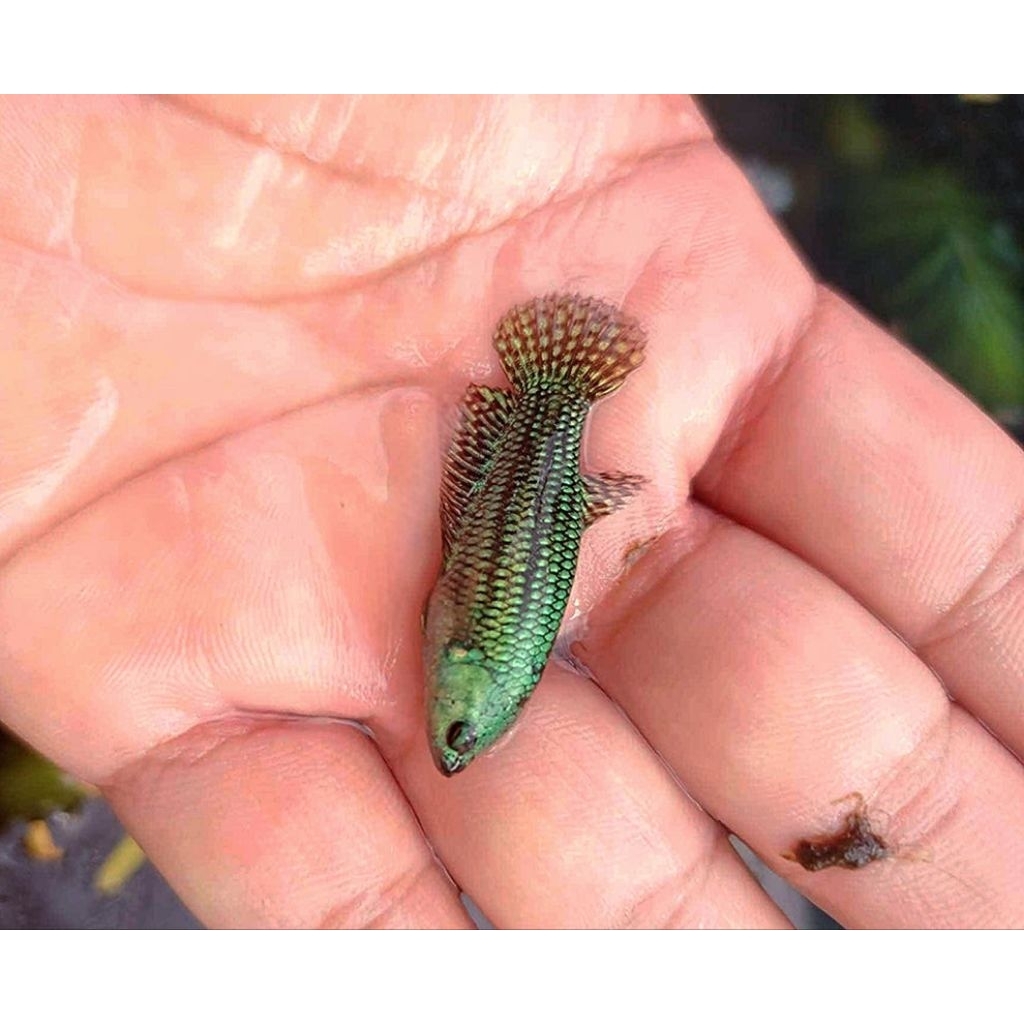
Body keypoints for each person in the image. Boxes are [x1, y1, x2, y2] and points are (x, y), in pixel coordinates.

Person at [1, 95, 1021, 928]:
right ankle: (554, 398)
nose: (449, 734)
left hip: (523, 495)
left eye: (457, 728)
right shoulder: (482, 657)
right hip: (525, 494)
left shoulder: (481, 658)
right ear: (466, 682)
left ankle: (552, 398)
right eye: (459, 726)